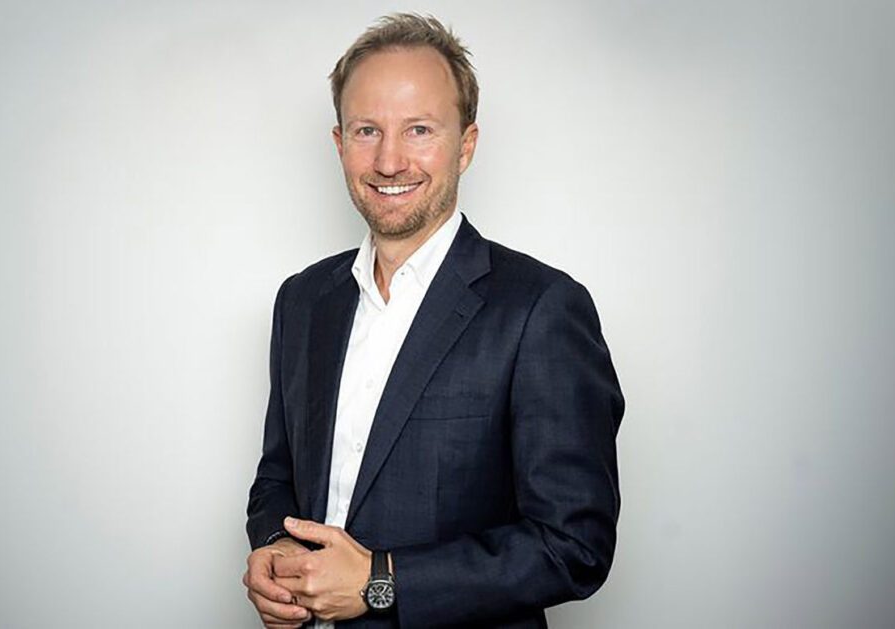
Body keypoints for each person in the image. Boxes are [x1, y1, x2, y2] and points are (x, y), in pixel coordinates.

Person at [243, 13, 624, 629]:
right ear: (339, 143)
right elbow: (277, 476)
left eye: (419, 129)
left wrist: (380, 582)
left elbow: (573, 547)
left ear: (466, 145)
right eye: (367, 130)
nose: (389, 160)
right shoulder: (303, 301)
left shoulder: (542, 308)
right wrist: (277, 545)